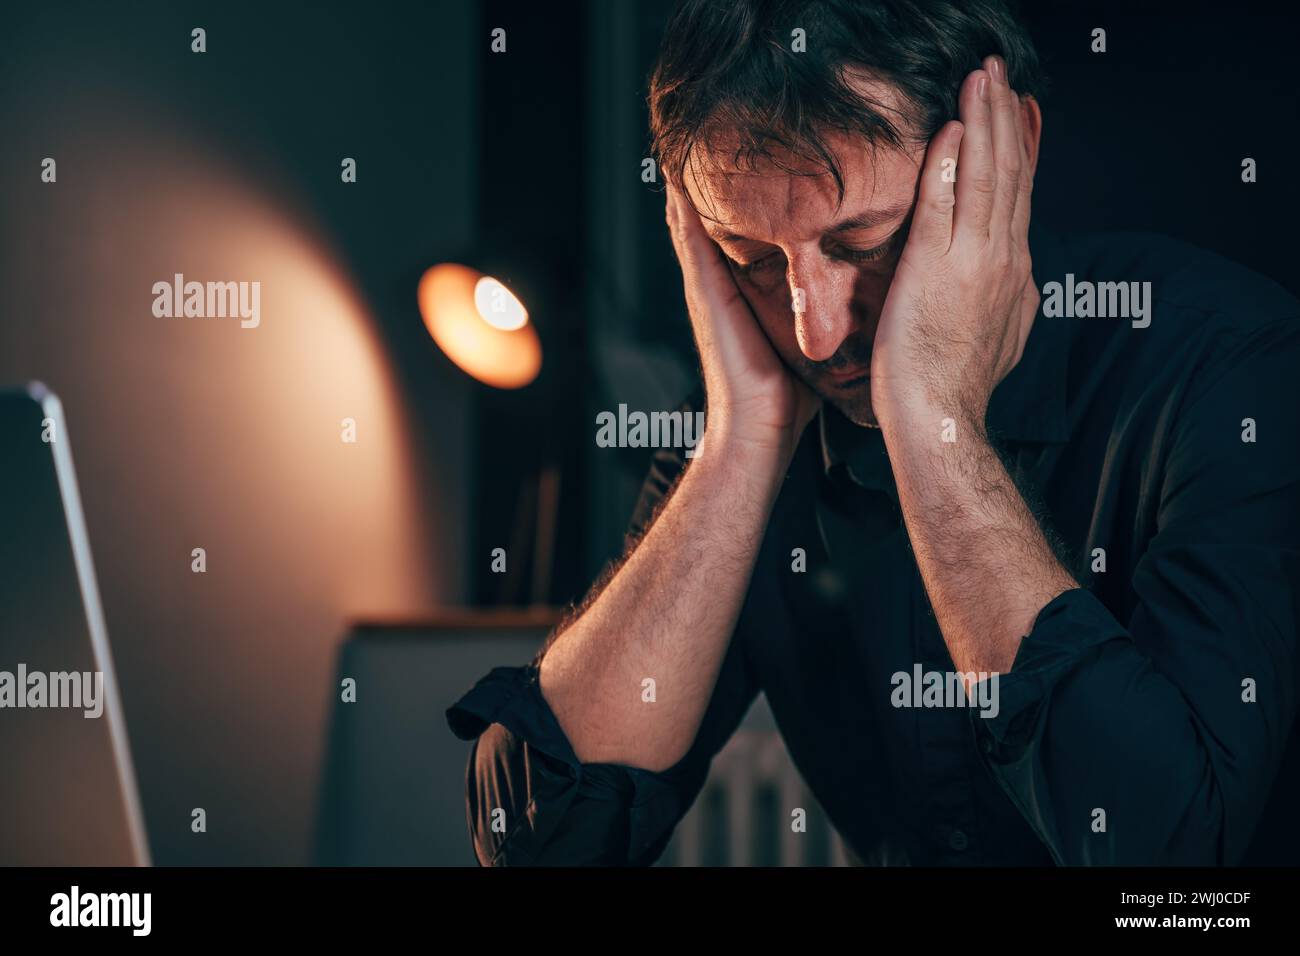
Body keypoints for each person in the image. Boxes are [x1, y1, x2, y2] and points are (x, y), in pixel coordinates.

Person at [446, 0, 1300, 865]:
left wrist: (933, 419)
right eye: (752, 260)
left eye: (867, 244)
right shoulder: (760, 414)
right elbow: (537, 845)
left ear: (1013, 153)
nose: (815, 333)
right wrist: (741, 440)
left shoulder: (1232, 368)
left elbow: (1178, 874)